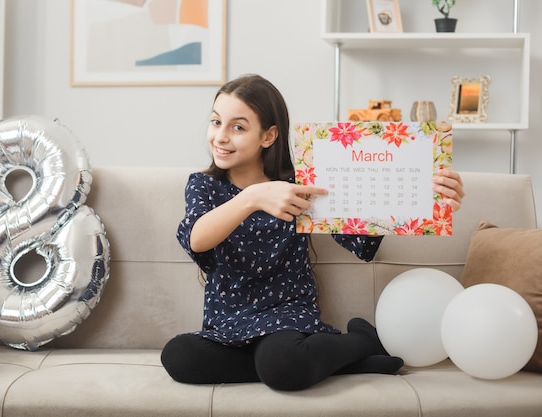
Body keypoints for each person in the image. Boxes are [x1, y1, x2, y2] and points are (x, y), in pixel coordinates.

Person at [161, 74, 465, 391]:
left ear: (268, 136)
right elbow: (197, 239)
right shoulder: (204, 185)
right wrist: (252, 198)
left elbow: (361, 240)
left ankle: (349, 345)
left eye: (237, 127)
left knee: (282, 362)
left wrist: (427, 196)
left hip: (287, 317)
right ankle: (351, 357)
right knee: (178, 356)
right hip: (228, 322)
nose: (220, 137)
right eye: (215, 122)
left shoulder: (300, 185)